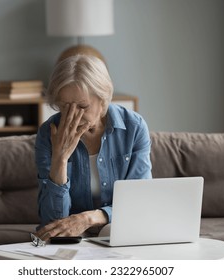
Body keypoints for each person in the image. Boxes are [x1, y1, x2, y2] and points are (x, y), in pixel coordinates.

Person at [35, 54, 152, 241]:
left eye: (82, 106)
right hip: (75, 239)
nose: (73, 116)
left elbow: (140, 202)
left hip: (123, 232)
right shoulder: (48, 134)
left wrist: (89, 218)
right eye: (65, 107)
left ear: (103, 100)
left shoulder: (133, 127)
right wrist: (60, 157)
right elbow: (53, 221)